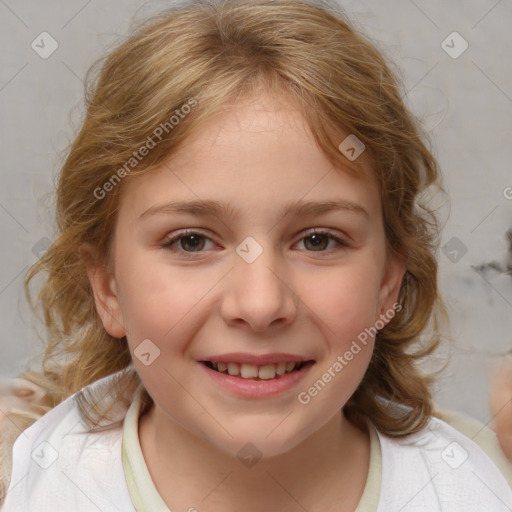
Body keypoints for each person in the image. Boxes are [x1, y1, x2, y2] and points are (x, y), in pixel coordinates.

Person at [1, 0, 512, 510]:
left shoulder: (475, 488)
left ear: (388, 283)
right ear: (108, 287)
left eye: (318, 240)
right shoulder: (32, 488)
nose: (261, 303)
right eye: (191, 241)